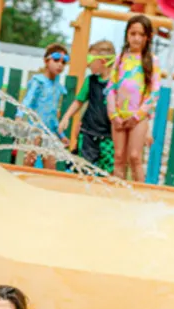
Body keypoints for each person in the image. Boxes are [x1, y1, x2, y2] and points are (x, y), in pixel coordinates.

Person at [106, 14, 161, 183]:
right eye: (133, 34)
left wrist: (137, 116)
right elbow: (111, 88)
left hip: (138, 117)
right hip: (119, 115)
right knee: (118, 156)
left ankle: (140, 193)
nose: (136, 38)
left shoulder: (152, 61)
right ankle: (118, 192)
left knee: (135, 156)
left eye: (141, 35)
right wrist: (113, 115)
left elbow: (154, 92)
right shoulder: (120, 59)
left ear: (148, 37)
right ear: (127, 35)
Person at [58, 40, 115, 173]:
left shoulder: (116, 84)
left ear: (102, 61)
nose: (88, 64)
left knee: (106, 172)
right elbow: (78, 101)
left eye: (90, 59)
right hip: (88, 132)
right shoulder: (90, 81)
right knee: (82, 168)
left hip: (108, 136)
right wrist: (66, 117)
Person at [17, 43, 69, 170]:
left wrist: (61, 135)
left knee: (51, 166)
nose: (60, 64)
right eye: (56, 60)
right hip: (35, 129)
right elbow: (27, 100)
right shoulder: (38, 81)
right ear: (46, 61)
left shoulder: (58, 87)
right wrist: (19, 116)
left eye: (63, 62)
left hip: (49, 132)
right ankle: (24, 180)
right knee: (29, 161)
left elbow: (53, 115)